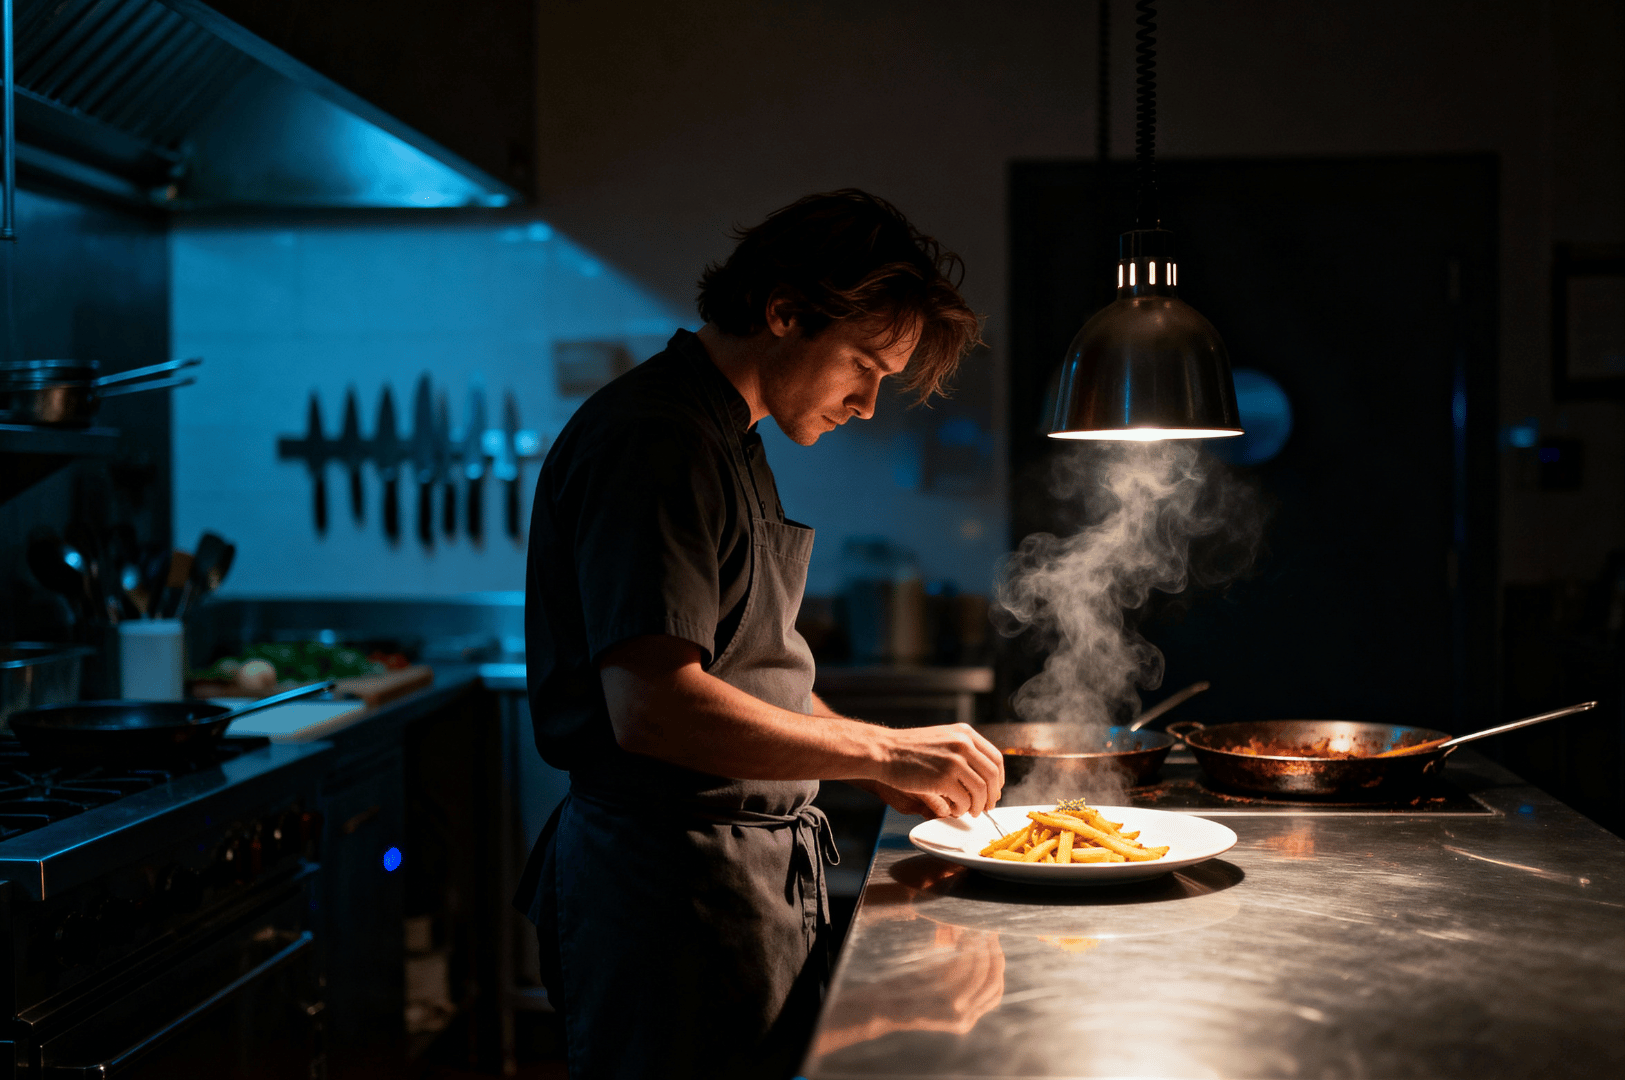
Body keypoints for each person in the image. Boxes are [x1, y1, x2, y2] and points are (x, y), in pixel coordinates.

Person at [516, 189, 1006, 1080]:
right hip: (666, 892)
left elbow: (747, 670)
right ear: (784, 312)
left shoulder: (726, 436)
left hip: (730, 881)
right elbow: (655, 709)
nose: (866, 403)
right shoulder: (656, 438)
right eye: (864, 365)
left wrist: (873, 762)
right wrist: (880, 753)